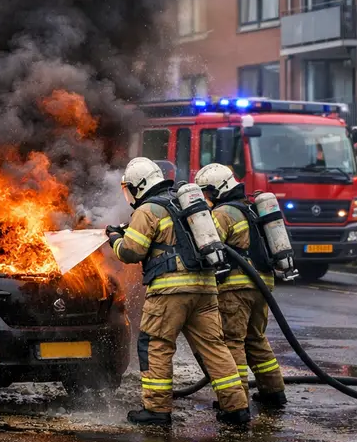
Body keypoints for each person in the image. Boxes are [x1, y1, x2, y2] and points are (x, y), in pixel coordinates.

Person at [107, 157, 251, 426]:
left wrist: (115, 239)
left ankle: (157, 409)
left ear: (138, 186)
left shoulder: (148, 209)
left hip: (170, 291)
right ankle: (236, 407)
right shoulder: (181, 203)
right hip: (206, 289)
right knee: (214, 347)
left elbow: (131, 251)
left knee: (157, 344)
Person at [195, 163, 287, 409]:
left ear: (218, 189)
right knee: (255, 338)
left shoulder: (223, 213)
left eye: (207, 192)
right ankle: (274, 391)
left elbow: (209, 246)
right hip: (262, 284)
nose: (206, 198)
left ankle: (238, 398)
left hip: (236, 287)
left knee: (232, 341)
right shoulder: (251, 208)